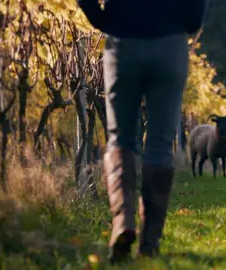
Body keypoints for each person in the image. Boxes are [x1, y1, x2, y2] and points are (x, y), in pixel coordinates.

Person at [77, 0, 208, 263]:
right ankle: (149, 243)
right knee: (160, 143)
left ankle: (122, 222)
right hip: (170, 42)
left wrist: (103, 21)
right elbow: (195, 13)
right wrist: (183, 23)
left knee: (120, 138)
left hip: (123, 39)